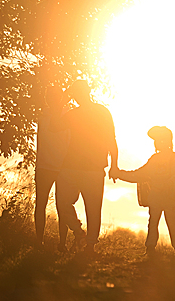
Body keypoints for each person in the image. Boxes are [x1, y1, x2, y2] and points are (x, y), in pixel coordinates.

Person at [51, 80, 119, 255]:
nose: (76, 96)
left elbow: (53, 126)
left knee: (79, 206)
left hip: (83, 168)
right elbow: (56, 127)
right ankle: (84, 239)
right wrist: (114, 165)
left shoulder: (95, 113)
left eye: (76, 93)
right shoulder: (99, 112)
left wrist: (114, 165)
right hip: (81, 167)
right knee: (86, 207)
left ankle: (85, 240)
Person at [112, 126, 175, 256]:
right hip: (161, 197)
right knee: (164, 223)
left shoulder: (172, 159)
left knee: (163, 223)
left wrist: (119, 173)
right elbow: (140, 174)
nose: (158, 143)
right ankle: (169, 249)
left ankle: (169, 249)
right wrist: (119, 174)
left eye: (159, 140)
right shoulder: (158, 159)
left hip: (166, 197)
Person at [34, 85, 70, 250]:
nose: (51, 100)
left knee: (58, 205)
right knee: (53, 204)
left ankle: (58, 242)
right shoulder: (44, 116)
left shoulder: (64, 117)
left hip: (57, 167)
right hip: (49, 166)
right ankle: (45, 241)